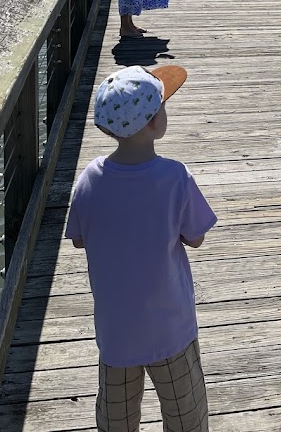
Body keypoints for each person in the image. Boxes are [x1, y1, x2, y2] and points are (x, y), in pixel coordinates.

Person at [66, 64, 217, 432]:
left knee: (117, 419)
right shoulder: (175, 177)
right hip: (169, 328)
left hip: (116, 332)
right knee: (186, 417)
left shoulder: (89, 179)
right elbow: (195, 237)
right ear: (152, 122)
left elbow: (80, 237)